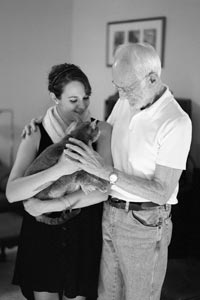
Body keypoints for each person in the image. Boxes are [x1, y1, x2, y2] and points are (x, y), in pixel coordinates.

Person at [62, 43, 192, 300]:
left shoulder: (175, 122)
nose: (120, 95)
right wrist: (47, 122)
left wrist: (107, 172)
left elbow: (161, 192)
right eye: (116, 86)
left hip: (145, 222)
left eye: (127, 88)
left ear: (152, 78)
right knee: (107, 295)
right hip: (111, 211)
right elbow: (105, 133)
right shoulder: (126, 100)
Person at [6, 63, 112, 300]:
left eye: (86, 97)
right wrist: (60, 169)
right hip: (41, 235)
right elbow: (13, 192)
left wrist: (49, 205)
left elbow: (103, 191)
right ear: (54, 97)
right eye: (73, 100)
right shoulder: (35, 133)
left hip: (83, 232)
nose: (82, 106)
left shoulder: (101, 130)